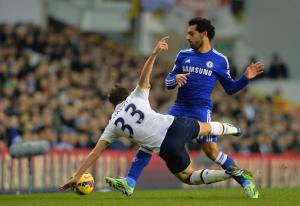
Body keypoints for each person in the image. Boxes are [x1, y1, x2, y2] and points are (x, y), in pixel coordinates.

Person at [59, 37, 249, 195]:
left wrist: (77, 175)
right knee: (207, 127)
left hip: (165, 148)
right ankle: (236, 130)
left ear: (113, 105)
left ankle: (228, 174)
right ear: (126, 94)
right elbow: (144, 75)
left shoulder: (113, 125)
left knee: (189, 177)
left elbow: (95, 153)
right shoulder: (136, 96)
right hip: (175, 126)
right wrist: (154, 53)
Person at [106, 17, 264, 199]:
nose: (187, 37)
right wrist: (176, 79)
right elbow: (168, 82)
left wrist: (245, 78)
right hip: (178, 108)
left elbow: (230, 88)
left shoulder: (220, 60)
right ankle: (130, 182)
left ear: (204, 34)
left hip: (201, 111)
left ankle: (245, 181)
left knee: (211, 152)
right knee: (150, 140)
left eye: (191, 33)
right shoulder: (183, 55)